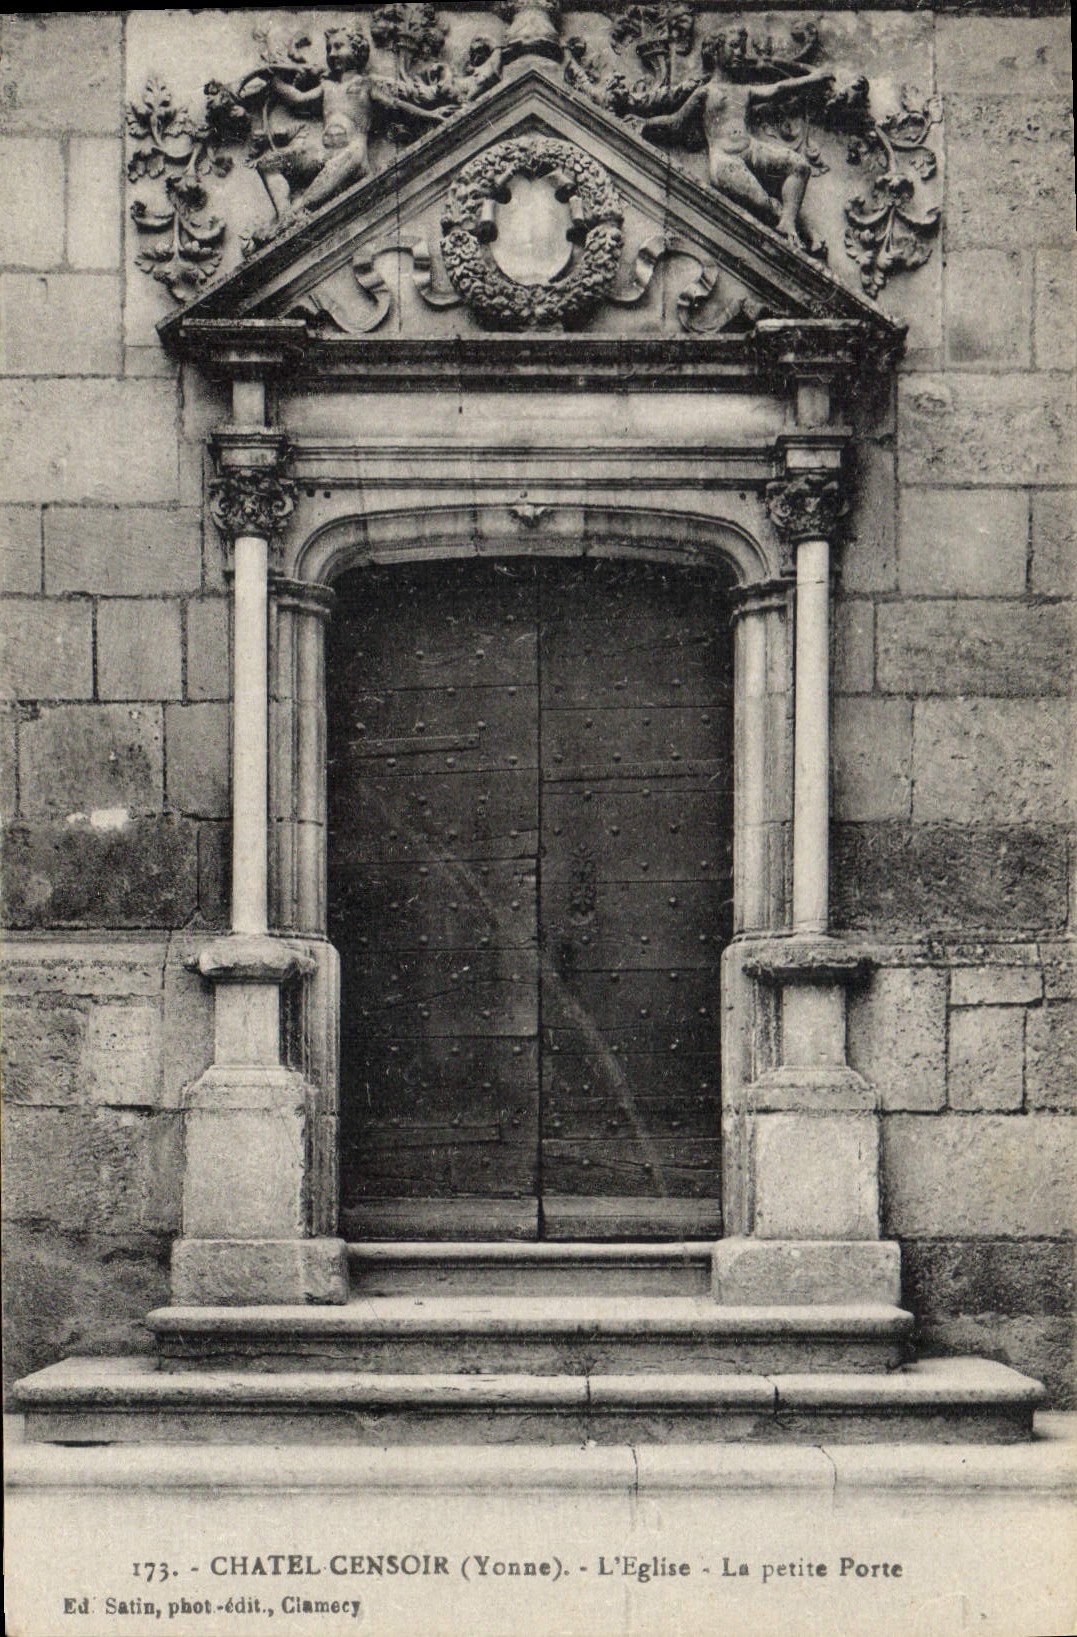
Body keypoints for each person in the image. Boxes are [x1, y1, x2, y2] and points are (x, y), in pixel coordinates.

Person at [642, 28, 834, 246]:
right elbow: (676, 122)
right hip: (726, 161)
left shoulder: (743, 91)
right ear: (715, 52)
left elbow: (779, 88)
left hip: (751, 148)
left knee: (800, 166)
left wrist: (812, 79)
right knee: (763, 204)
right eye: (733, 46)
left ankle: (788, 223)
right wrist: (645, 123)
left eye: (742, 49)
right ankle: (802, 231)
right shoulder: (706, 92)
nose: (740, 53)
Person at [252, 26, 448, 237]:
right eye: (329, 49)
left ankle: (289, 220)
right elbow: (297, 99)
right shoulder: (327, 86)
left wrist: (431, 115)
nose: (332, 53)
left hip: (352, 154)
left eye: (339, 46)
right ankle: (284, 216)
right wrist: (274, 80)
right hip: (325, 154)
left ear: (357, 51)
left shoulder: (365, 84)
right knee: (268, 164)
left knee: (306, 202)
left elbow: (395, 105)